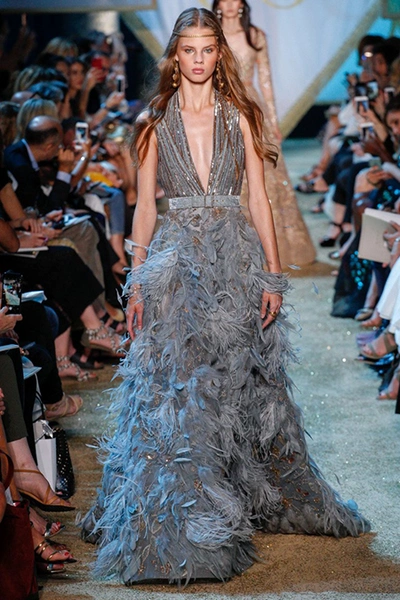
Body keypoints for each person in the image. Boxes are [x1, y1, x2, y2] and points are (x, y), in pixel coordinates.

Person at [81, 8, 369, 585]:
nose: (198, 60)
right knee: (177, 387)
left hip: (234, 257)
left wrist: (272, 273)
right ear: (175, 55)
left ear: (219, 54)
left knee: (241, 380)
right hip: (175, 262)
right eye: (188, 49)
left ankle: (236, 496)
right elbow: (143, 208)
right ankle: (187, 520)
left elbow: (258, 198)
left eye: (207, 49)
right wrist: (137, 283)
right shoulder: (153, 120)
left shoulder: (241, 114)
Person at [211, 0, 315, 267]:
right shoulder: (211, 35)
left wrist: (273, 120)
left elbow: (265, 80)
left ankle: (272, 247)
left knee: (263, 173)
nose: (230, 4)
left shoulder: (255, 35)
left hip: (251, 104)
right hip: (219, 104)